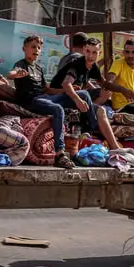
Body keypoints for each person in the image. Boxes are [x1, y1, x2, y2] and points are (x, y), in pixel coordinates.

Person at [10, 35, 78, 170]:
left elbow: (46, 89)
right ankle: (60, 153)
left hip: (43, 98)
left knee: (75, 98)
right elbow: (11, 73)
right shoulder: (21, 64)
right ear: (24, 49)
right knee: (58, 109)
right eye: (33, 47)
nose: (36, 50)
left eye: (39, 48)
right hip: (31, 101)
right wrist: (15, 75)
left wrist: (66, 91)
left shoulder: (39, 68)